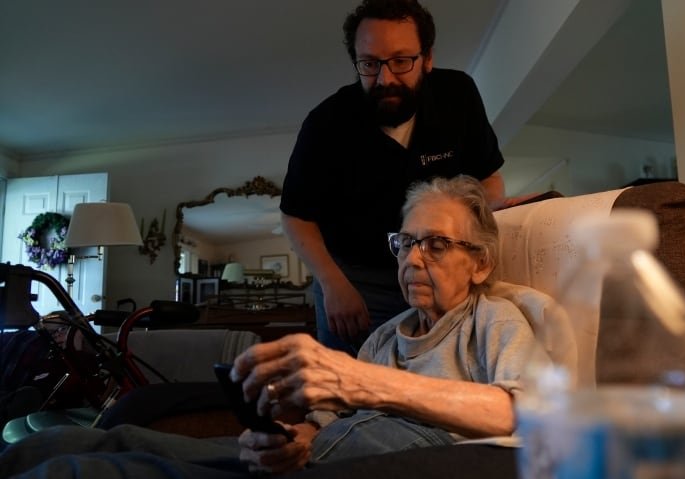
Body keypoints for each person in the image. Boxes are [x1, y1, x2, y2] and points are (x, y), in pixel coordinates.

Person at [0, 175, 552, 477]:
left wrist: (363, 383)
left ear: (480, 262)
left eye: (435, 244)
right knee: (76, 442)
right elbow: (323, 423)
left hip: (387, 464)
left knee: (80, 473)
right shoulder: (386, 335)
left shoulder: (493, 319)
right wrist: (293, 440)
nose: (411, 259)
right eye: (405, 243)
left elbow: (525, 411)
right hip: (316, 458)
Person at [280, 0, 506, 355]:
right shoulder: (325, 124)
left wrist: (479, 232)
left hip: (437, 265)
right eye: (369, 64)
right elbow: (295, 216)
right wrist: (333, 284)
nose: (385, 79)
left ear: (427, 57)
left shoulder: (458, 95)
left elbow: (489, 179)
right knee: (349, 387)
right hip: (355, 278)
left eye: (401, 61)